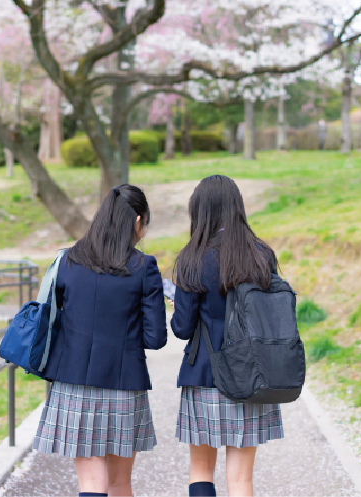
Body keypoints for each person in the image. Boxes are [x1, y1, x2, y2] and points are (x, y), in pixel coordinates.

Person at [34, 183, 168, 497]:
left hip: (73, 383)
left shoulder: (67, 260)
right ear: (137, 222)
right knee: (120, 483)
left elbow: (49, 316)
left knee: (91, 485)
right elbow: (155, 338)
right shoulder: (143, 267)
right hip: (124, 384)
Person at [170, 175, 284, 497]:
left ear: (201, 212)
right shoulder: (262, 255)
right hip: (253, 376)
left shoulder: (194, 257)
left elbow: (181, 328)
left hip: (206, 373)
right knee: (242, 480)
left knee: (201, 470)